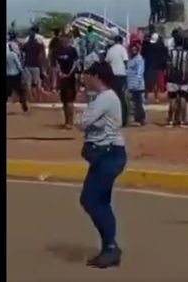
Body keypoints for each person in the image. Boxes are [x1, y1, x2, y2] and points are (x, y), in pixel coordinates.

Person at [78, 61, 127, 269]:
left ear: (96, 76)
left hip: (109, 155)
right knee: (99, 202)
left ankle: (111, 246)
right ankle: (109, 246)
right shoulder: (104, 98)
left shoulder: (105, 98)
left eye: (87, 74)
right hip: (107, 155)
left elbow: (82, 121)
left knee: (91, 200)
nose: (84, 78)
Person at [54, 35, 79, 129]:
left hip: (70, 78)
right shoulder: (58, 51)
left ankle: (70, 122)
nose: (63, 41)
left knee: (69, 101)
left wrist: (68, 73)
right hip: (63, 79)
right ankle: (66, 121)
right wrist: (60, 72)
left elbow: (75, 63)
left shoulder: (72, 50)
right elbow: (57, 64)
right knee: (64, 101)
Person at [105, 35, 130, 127]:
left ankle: (114, 120)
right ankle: (123, 120)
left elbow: (107, 62)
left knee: (113, 98)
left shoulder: (110, 50)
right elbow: (126, 61)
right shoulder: (122, 49)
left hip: (112, 76)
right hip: (121, 75)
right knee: (122, 98)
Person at [167, 37, 188, 127]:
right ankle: (182, 121)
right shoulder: (187, 54)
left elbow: (168, 66)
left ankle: (170, 120)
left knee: (172, 100)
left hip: (172, 78)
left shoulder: (170, 52)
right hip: (183, 79)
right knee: (183, 100)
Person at [22, 28, 47, 102]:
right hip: (36, 65)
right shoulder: (38, 45)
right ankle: (39, 98)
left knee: (29, 83)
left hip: (27, 65)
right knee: (37, 82)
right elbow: (41, 54)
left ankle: (30, 98)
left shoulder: (26, 45)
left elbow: (22, 50)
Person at [143, 33, 168, 104]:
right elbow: (164, 57)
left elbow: (144, 55)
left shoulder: (148, 46)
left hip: (149, 66)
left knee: (147, 83)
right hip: (158, 67)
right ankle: (156, 97)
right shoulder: (161, 46)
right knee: (156, 84)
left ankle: (146, 97)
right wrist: (164, 67)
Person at [126, 43, 146, 126]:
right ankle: (136, 118)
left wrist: (136, 83)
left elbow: (140, 72)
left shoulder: (139, 59)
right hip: (130, 83)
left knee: (139, 102)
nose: (133, 51)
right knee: (133, 103)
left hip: (138, 85)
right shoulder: (130, 59)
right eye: (132, 49)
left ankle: (141, 119)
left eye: (135, 49)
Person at [6, 42, 29, 114]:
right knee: (21, 92)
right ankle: (24, 107)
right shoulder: (13, 54)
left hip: (7, 75)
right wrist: (22, 72)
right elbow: (18, 65)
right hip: (16, 75)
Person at [48, 28, 62, 92]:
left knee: (54, 74)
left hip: (54, 59)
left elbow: (50, 50)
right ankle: (59, 88)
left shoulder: (53, 40)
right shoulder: (61, 40)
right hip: (60, 59)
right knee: (59, 73)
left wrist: (49, 58)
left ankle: (54, 87)